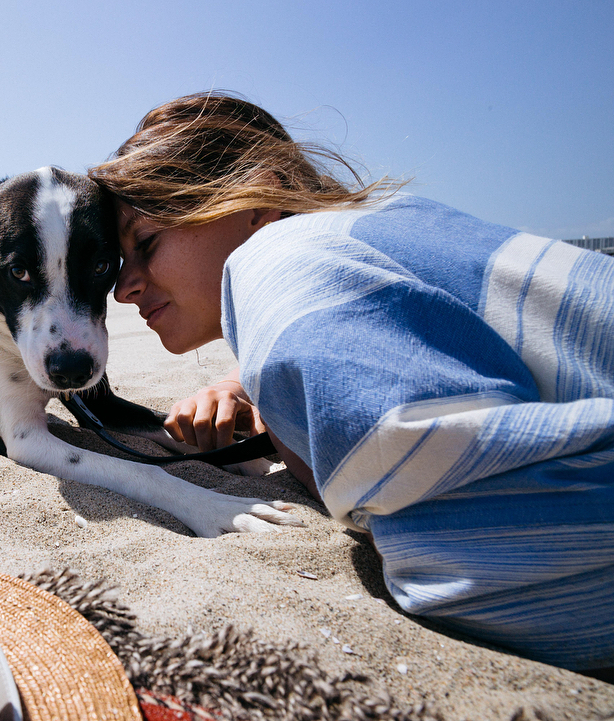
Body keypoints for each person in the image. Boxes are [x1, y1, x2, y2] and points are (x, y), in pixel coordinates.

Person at [88, 91, 614, 677]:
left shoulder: (275, 262)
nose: (124, 288)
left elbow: (488, 548)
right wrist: (255, 386)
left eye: (147, 244)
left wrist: (317, 456)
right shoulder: (376, 227)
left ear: (256, 204)